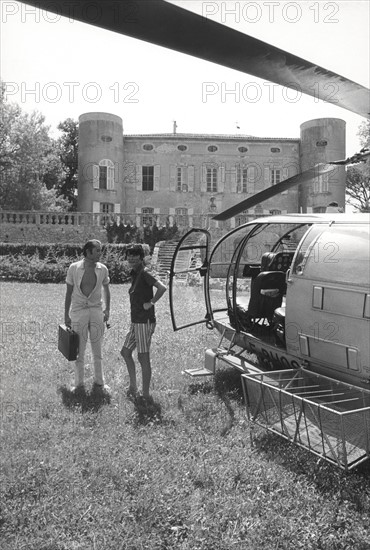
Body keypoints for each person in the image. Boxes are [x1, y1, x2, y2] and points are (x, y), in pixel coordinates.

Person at [120, 244, 167, 401]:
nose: (131, 258)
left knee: (143, 357)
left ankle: (146, 394)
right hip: (136, 321)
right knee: (125, 352)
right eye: (129, 255)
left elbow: (162, 288)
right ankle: (133, 386)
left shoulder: (145, 272)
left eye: (135, 255)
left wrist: (151, 303)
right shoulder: (135, 273)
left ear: (141, 257)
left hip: (144, 322)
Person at [64, 239, 111, 394]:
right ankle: (78, 384)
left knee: (97, 349)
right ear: (89, 252)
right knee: (79, 350)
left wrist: (107, 310)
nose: (100, 253)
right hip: (78, 312)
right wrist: (66, 315)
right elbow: (68, 293)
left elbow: (106, 289)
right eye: (97, 250)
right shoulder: (74, 268)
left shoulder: (102, 269)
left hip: (97, 311)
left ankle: (100, 382)